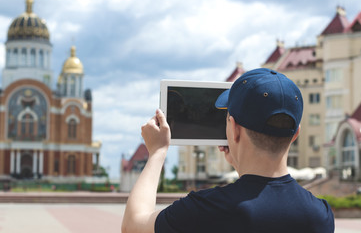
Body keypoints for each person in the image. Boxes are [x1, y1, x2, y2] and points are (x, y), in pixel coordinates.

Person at [121, 68, 335, 233]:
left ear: (233, 128)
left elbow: (133, 226)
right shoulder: (321, 215)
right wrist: (241, 162)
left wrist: (158, 152)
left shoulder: (206, 208)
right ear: (295, 134)